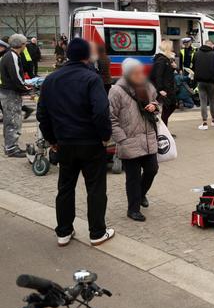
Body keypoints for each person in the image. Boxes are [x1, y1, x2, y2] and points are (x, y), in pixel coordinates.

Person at [36, 38, 115, 247]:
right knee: (96, 188)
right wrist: (105, 135)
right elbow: (100, 111)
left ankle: (63, 231)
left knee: (65, 187)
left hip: (64, 143)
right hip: (90, 142)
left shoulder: (51, 79)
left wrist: (52, 139)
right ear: (86, 56)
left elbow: (42, 114)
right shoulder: (91, 79)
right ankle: (97, 232)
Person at [108, 58, 160, 222]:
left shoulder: (147, 86)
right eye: (136, 72)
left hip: (148, 137)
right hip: (128, 140)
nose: (140, 74)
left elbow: (157, 102)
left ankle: (141, 193)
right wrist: (121, 139)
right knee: (133, 177)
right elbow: (111, 118)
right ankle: (133, 209)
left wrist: (155, 106)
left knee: (152, 169)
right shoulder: (116, 91)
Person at [0, 34, 31, 157]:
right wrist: (25, 88)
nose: (25, 46)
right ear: (21, 45)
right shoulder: (12, 56)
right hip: (10, 92)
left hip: (6, 91)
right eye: (25, 44)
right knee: (13, 121)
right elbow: (16, 76)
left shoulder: (8, 55)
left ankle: (10, 146)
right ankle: (12, 148)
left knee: (9, 120)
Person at [150, 40, 177, 126]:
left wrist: (173, 68)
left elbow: (167, 73)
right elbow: (158, 76)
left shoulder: (166, 59)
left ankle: (163, 128)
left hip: (168, 87)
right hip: (165, 89)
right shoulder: (161, 60)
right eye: (171, 47)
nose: (173, 49)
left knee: (170, 107)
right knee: (169, 107)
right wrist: (160, 89)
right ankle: (163, 129)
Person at [192, 40, 214, 130]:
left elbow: (193, 67)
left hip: (200, 81)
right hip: (212, 82)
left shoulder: (196, 53)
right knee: (212, 101)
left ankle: (204, 122)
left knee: (203, 102)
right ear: (211, 45)